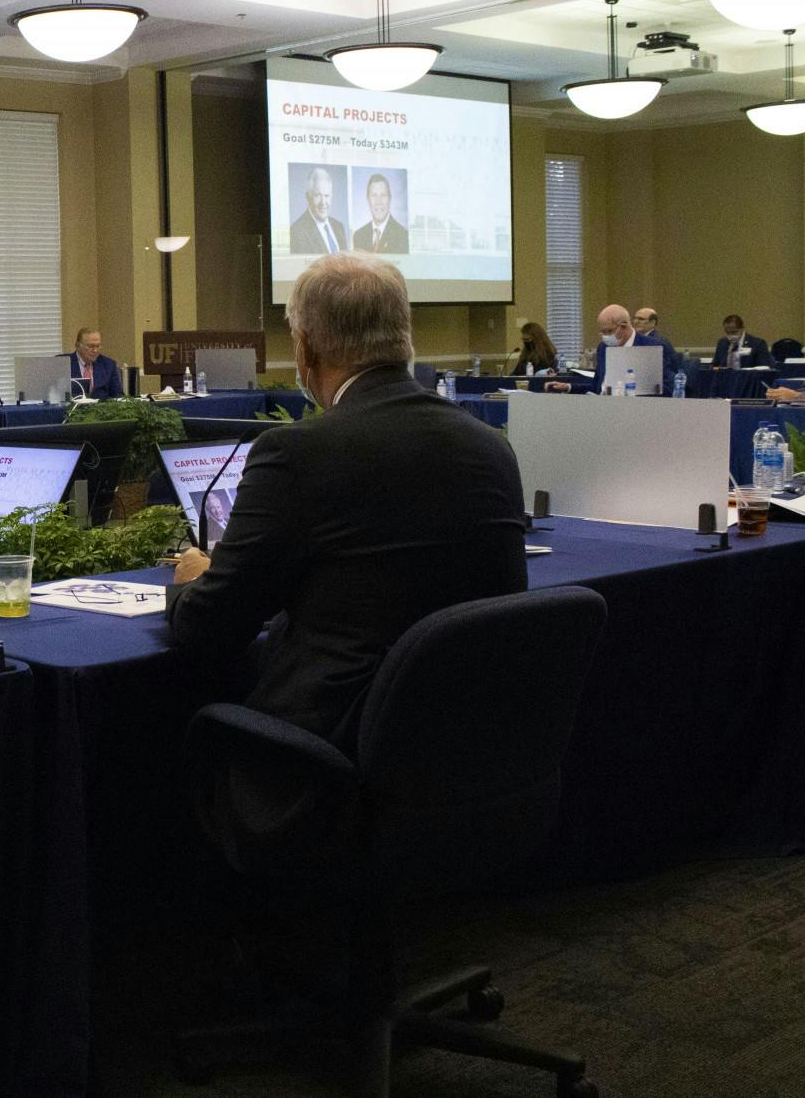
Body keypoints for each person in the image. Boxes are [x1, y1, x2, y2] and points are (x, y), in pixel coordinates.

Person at [165, 254, 526, 753]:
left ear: (305, 348)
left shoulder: (299, 452)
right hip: (472, 742)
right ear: (403, 336)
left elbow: (208, 630)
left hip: (334, 748)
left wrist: (190, 579)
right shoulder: (490, 446)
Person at [549, 304, 678, 394]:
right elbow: (598, 385)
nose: (606, 336)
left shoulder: (652, 347)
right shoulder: (603, 347)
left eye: (609, 331)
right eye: (603, 332)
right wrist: (569, 387)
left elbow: (668, 387)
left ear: (624, 326)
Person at [288, 168, 348, 256]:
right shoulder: (297, 231)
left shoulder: (339, 227)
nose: (323, 202)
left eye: (327, 196)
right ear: (308, 197)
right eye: (317, 195)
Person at [350, 173, 409, 254]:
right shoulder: (358, 236)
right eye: (374, 196)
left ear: (390, 199)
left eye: (383, 195)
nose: (378, 201)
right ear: (368, 200)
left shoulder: (403, 236)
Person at [65, 328, 123, 400]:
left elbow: (117, 396)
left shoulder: (109, 365)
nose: (95, 350)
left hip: (101, 406)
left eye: (98, 346)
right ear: (78, 346)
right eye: (90, 346)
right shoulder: (63, 363)